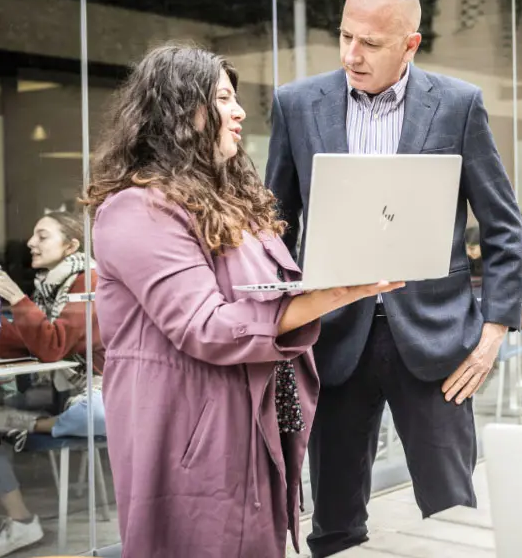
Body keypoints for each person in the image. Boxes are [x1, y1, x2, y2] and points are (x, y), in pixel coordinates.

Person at [83, 44, 402, 558]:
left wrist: (344, 271)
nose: (240, 112)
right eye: (224, 98)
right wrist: (337, 292)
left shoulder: (234, 207)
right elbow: (204, 325)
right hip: (190, 435)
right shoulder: (136, 209)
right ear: (180, 110)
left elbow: (277, 295)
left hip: (252, 425)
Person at [266, 0, 522, 557]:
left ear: (410, 43)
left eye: (371, 43)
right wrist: (281, 326)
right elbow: (274, 228)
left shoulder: (459, 105)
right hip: (332, 341)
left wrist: (492, 335)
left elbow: (504, 226)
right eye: (344, 37)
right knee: (332, 523)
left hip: (438, 343)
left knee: (453, 512)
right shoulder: (297, 104)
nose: (352, 55)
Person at [0, 211, 104, 555]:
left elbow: (52, 343)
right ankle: (20, 520)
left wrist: (16, 298)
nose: (31, 243)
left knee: (99, 411)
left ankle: (23, 425)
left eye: (42, 236)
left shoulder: (88, 281)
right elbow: (27, 337)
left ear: (71, 245)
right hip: (66, 394)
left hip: (96, 394)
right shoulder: (53, 284)